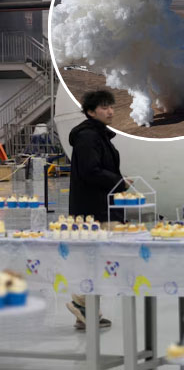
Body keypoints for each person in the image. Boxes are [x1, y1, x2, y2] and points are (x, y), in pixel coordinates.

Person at [66, 90, 128, 330]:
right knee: (100, 259)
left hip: (98, 207)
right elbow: (91, 171)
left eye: (111, 106)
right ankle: (80, 303)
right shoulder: (88, 137)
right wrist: (119, 182)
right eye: (104, 107)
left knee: (95, 260)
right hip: (94, 210)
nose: (110, 111)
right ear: (91, 112)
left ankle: (86, 310)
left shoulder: (97, 135)